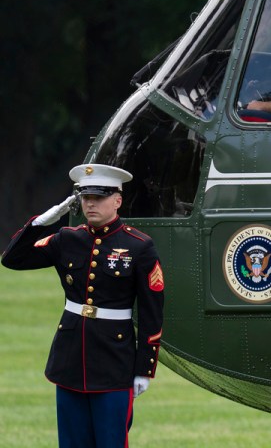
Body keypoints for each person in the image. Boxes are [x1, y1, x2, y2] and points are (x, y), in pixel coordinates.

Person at [1, 164, 164, 448]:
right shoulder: (67, 238)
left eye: (99, 197)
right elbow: (13, 259)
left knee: (110, 442)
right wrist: (40, 223)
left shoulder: (139, 246)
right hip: (70, 359)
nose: (90, 203)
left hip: (115, 362)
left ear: (117, 200)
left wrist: (144, 369)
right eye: (85, 197)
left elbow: (152, 312)